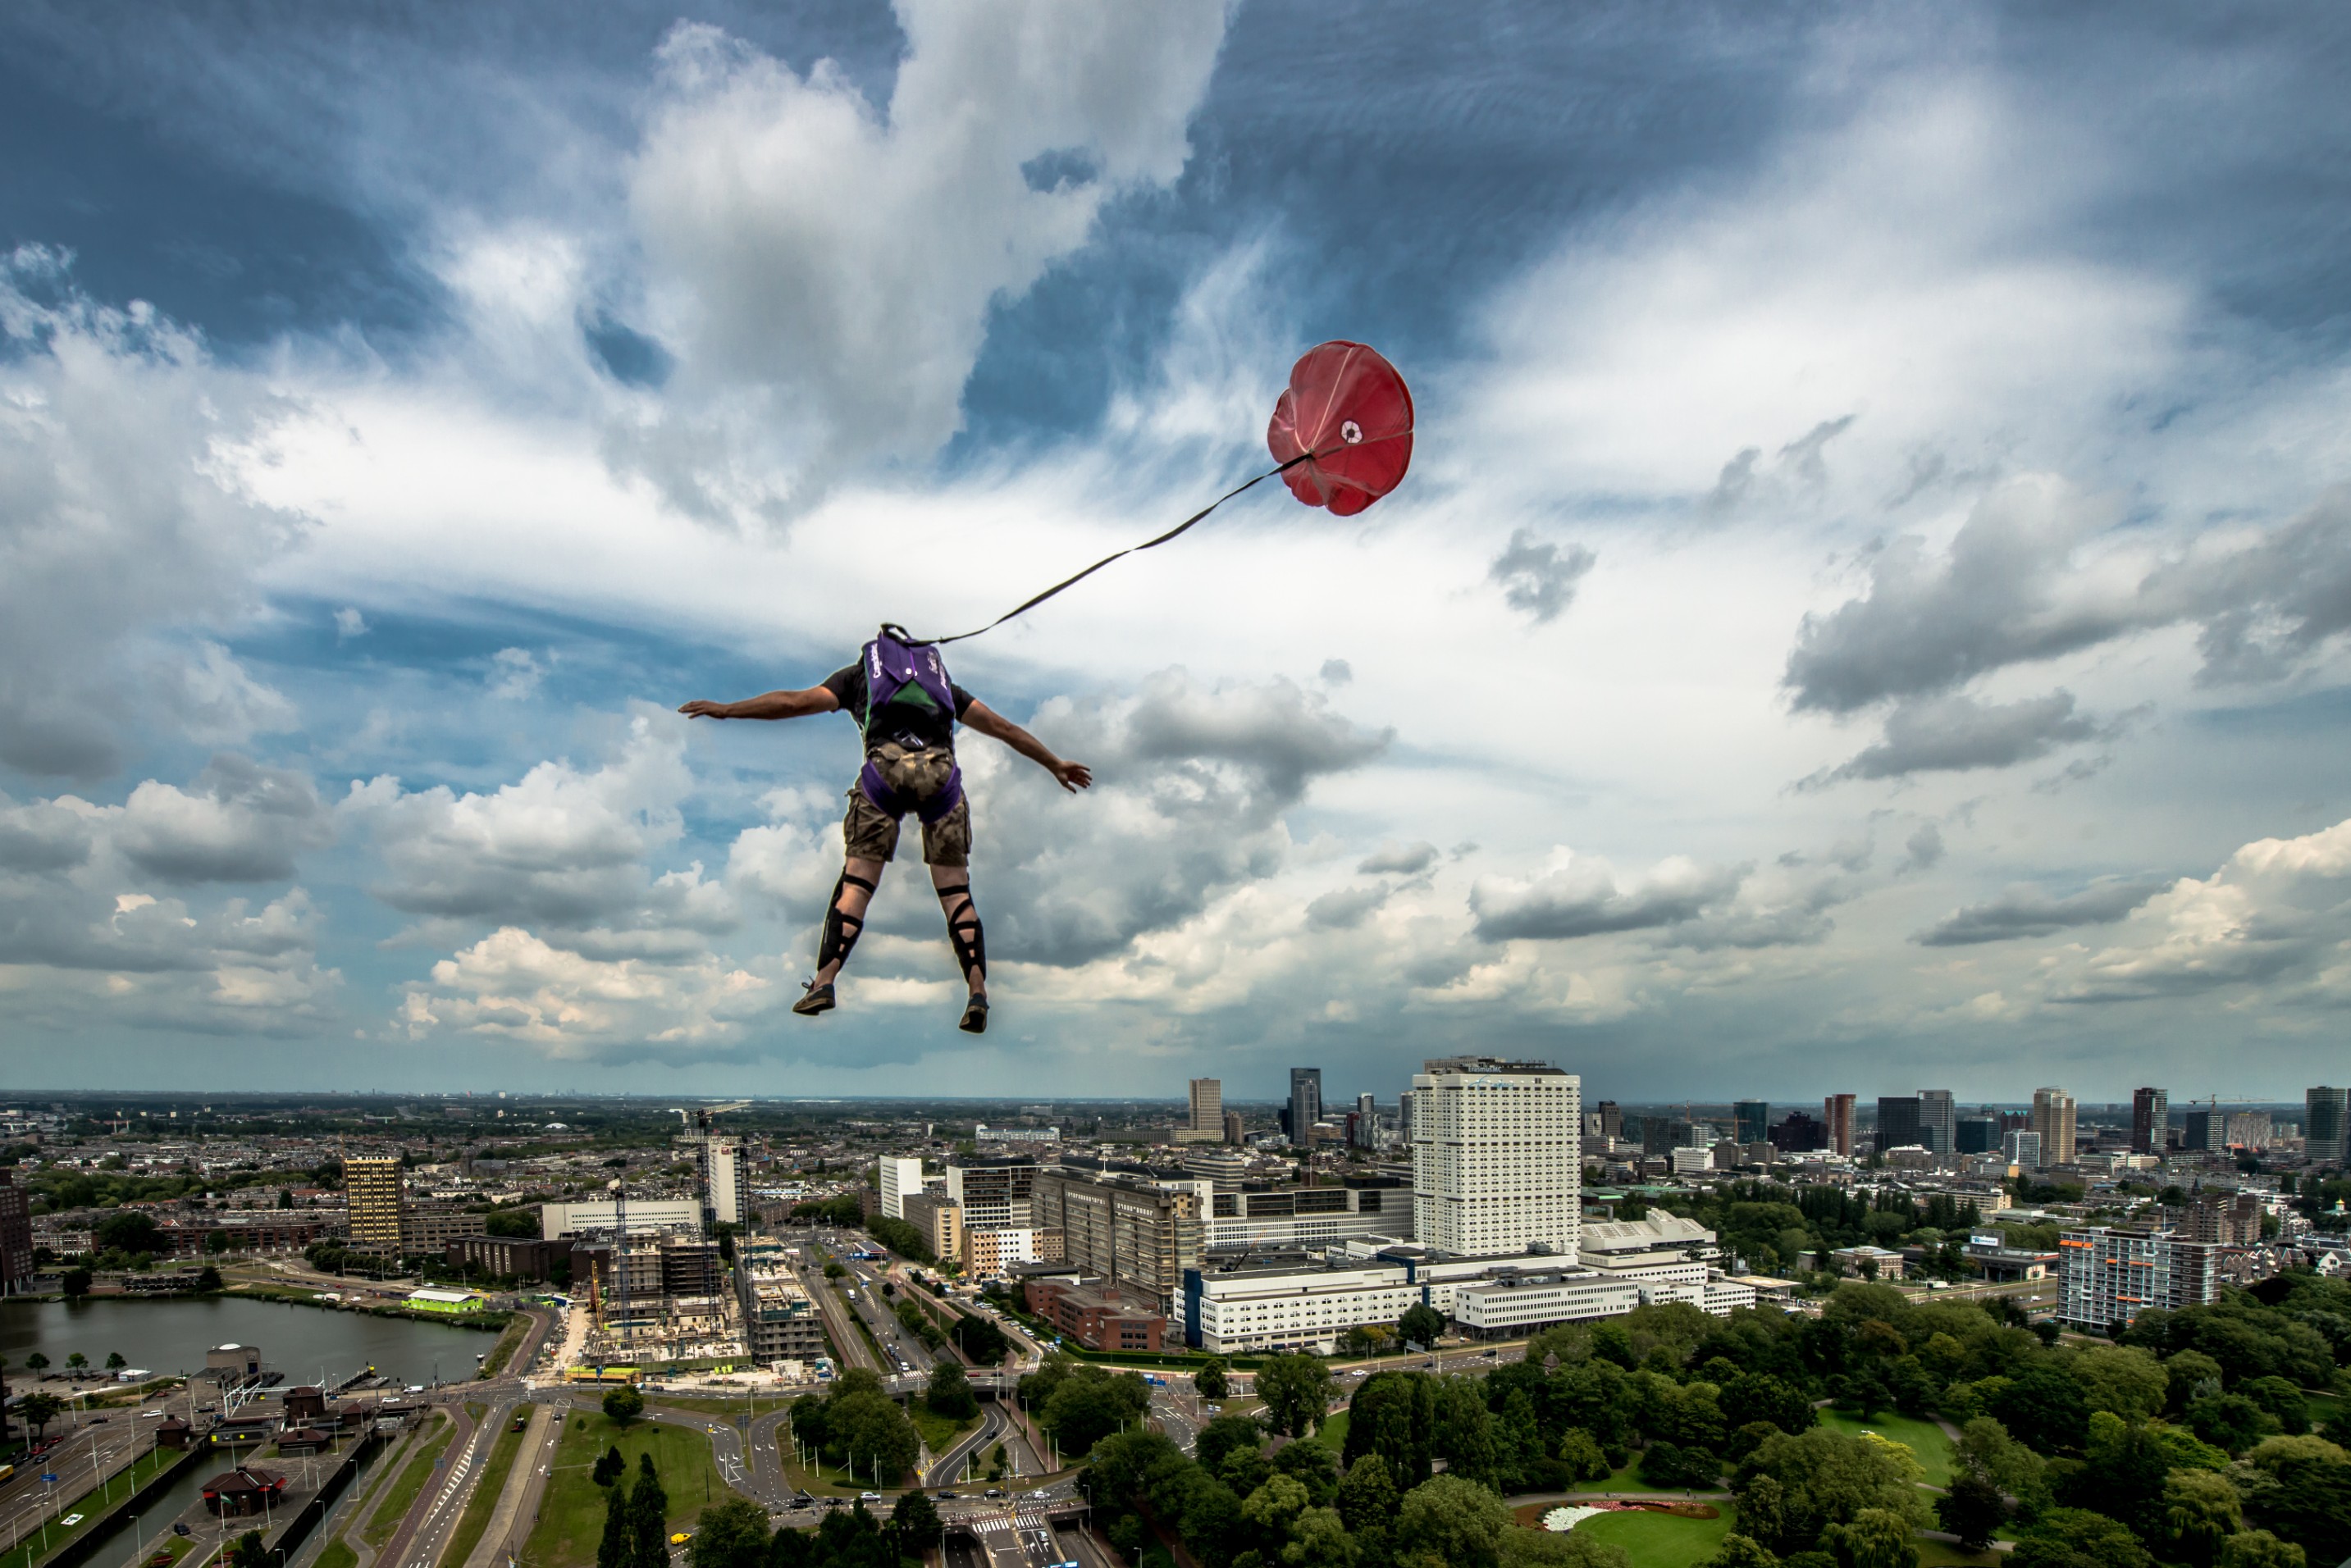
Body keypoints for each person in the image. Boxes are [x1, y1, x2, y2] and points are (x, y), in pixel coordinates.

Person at [678, 629, 1090, 1033]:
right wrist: (1054, 763)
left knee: (857, 883)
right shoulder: (944, 688)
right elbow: (1005, 729)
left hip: (883, 775)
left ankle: (824, 983)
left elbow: (793, 702)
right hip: (941, 780)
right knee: (956, 894)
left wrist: (728, 709)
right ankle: (977, 992)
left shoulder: (857, 677)